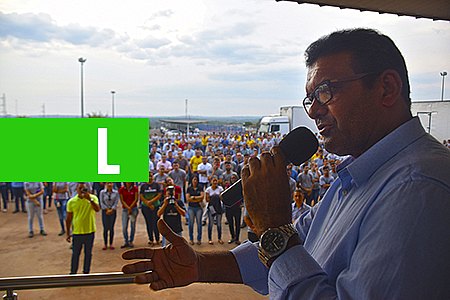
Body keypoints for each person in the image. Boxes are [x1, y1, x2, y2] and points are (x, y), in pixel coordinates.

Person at [121, 28, 450, 299]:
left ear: (386, 87)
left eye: (325, 92)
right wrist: (200, 265)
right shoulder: (359, 178)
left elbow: (285, 245)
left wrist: (273, 228)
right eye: (310, 99)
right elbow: (299, 243)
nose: (314, 111)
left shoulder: (417, 188)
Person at [66, 183, 100, 274]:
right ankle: (73, 272)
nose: (82, 191)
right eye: (80, 188)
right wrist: (68, 232)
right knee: (75, 254)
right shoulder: (71, 202)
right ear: (76, 189)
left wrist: (90, 200)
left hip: (90, 231)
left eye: (84, 189)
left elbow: (97, 209)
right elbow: (68, 218)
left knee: (88, 254)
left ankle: (86, 272)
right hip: (77, 232)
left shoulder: (93, 198)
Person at [140, 174, 162, 246]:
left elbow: (159, 195)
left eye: (151, 176)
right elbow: (141, 196)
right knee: (149, 223)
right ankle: (151, 239)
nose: (150, 177)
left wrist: (151, 202)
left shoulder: (156, 185)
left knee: (156, 223)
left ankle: (157, 239)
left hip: (155, 206)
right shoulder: (143, 186)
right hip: (146, 207)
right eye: (148, 176)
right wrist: (148, 203)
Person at [99, 182, 120, 250]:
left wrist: (112, 209)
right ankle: (105, 244)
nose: (109, 185)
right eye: (108, 183)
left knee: (111, 228)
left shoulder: (116, 193)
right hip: (105, 211)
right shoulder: (102, 192)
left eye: (110, 183)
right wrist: (106, 209)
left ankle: (111, 243)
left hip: (113, 212)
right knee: (105, 228)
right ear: (106, 184)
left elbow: (116, 202)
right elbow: (101, 202)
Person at [205, 176, 224, 245]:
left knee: (219, 224)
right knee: (210, 224)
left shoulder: (220, 188)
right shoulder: (208, 189)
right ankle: (210, 239)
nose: (215, 182)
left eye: (216, 181)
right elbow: (207, 199)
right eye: (214, 181)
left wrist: (214, 197)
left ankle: (219, 238)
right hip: (211, 208)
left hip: (218, 207)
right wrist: (215, 196)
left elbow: (222, 198)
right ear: (211, 182)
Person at [119, 182, 139, 248]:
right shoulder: (121, 189)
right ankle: (126, 241)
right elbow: (122, 200)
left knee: (132, 225)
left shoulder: (135, 188)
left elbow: (136, 199)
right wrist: (128, 208)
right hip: (125, 209)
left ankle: (131, 241)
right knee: (124, 226)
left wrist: (130, 208)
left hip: (134, 209)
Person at [186, 176, 204, 245]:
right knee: (191, 224)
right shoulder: (189, 188)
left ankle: (199, 239)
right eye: (194, 179)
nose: (195, 181)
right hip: (191, 207)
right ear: (192, 180)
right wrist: (197, 198)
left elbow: (202, 197)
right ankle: (191, 239)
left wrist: (193, 197)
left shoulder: (200, 187)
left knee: (199, 224)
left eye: (196, 179)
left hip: (198, 207)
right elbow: (188, 199)